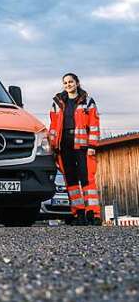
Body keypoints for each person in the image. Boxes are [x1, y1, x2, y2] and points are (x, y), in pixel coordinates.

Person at [48, 73, 101, 225]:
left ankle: (93, 214)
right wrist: (53, 146)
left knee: (87, 178)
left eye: (71, 82)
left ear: (77, 83)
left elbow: (94, 126)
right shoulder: (57, 103)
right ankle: (78, 213)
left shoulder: (88, 102)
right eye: (65, 83)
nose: (68, 85)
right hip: (64, 146)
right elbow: (53, 127)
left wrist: (92, 146)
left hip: (83, 147)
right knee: (70, 179)